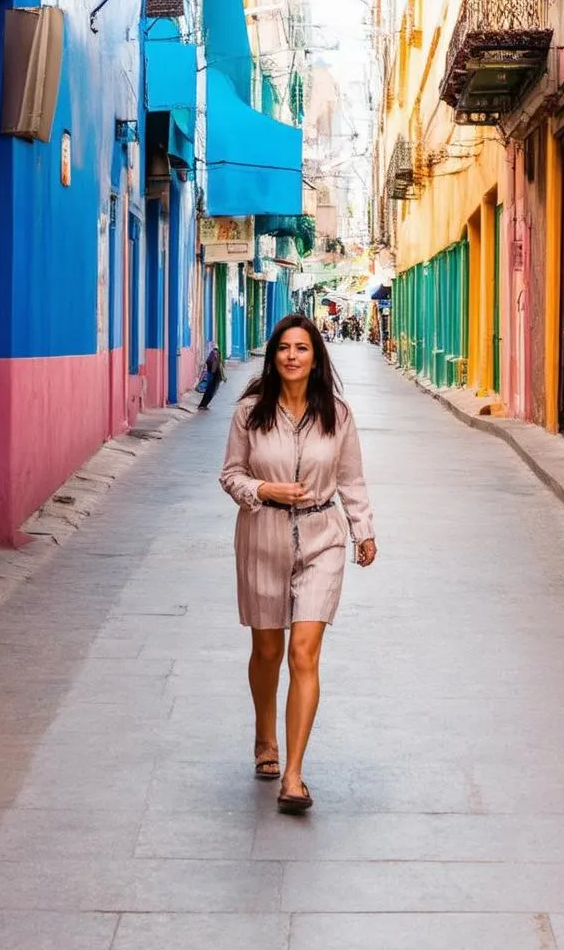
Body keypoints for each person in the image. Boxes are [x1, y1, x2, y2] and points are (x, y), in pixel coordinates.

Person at [219, 313, 377, 814]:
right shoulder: (249, 413)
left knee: (303, 652)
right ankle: (265, 738)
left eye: (302, 348)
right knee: (267, 650)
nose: (292, 355)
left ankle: (294, 774)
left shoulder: (337, 414)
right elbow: (230, 475)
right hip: (262, 533)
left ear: (316, 357)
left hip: (321, 535)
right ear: (273, 356)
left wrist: (363, 529)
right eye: (284, 348)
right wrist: (262, 489)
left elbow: (351, 477)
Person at [198, 343, 225, 410]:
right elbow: (216, 365)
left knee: (209, 390)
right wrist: (216, 375)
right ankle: (203, 405)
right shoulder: (216, 353)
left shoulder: (211, 354)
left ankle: (203, 405)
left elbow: (210, 363)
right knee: (211, 391)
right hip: (215, 375)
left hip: (212, 374)